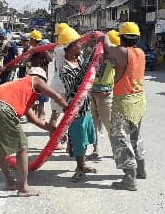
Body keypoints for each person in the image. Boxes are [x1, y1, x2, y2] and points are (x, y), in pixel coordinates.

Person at [0, 67, 68, 196]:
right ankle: (23, 188)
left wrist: (56, 131)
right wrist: (68, 108)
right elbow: (56, 96)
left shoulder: (21, 88)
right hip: (1, 108)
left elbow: (35, 120)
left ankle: (9, 181)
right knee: (22, 148)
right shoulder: (35, 79)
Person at [100, 22, 147, 191]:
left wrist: (103, 35)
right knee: (135, 136)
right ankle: (141, 169)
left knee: (120, 139)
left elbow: (107, 46)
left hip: (123, 103)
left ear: (121, 38)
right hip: (139, 101)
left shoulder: (121, 52)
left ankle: (129, 178)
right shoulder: (140, 52)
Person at [57, 27, 97, 182]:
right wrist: (90, 57)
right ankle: (80, 168)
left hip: (85, 106)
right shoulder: (65, 68)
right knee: (78, 139)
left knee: (85, 137)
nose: (80, 46)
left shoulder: (78, 60)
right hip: (75, 109)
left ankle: (83, 164)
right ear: (70, 47)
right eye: (78, 44)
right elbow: (77, 86)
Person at [87, 30, 119, 160]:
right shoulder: (94, 55)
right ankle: (95, 149)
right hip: (92, 93)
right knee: (93, 123)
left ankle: (117, 150)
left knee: (109, 124)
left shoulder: (113, 57)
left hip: (106, 94)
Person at [48, 23, 70, 149]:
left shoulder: (57, 49)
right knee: (70, 115)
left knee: (55, 114)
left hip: (56, 85)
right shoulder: (66, 49)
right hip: (65, 86)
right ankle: (69, 145)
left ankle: (53, 142)